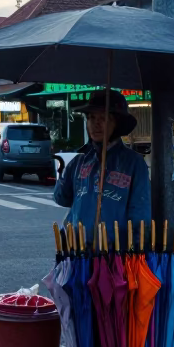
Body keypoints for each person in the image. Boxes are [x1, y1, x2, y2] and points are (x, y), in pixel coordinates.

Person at [54, 89, 150, 240]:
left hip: (115, 254)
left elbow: (140, 213)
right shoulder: (79, 161)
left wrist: (134, 253)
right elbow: (61, 198)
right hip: (78, 253)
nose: (95, 124)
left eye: (103, 118)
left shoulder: (134, 164)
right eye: (91, 117)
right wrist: (62, 172)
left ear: (117, 123)